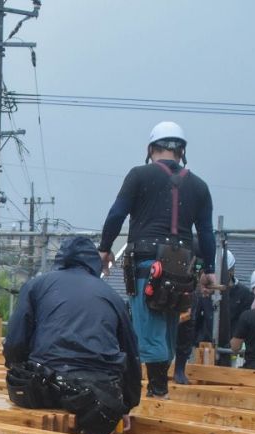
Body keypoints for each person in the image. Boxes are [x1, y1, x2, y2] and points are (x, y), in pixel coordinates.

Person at [98, 121, 214, 398]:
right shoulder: (199, 186)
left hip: (148, 265)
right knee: (169, 329)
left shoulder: (139, 175)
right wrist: (208, 269)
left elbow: (117, 214)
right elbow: (207, 232)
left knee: (149, 331)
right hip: (183, 268)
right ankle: (159, 387)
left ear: (151, 149)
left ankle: (158, 391)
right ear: (182, 151)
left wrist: (104, 248)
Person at [3, 236, 141, 434]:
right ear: (94, 263)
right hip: (98, 395)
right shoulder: (113, 296)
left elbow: (15, 343)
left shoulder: (37, 285)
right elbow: (131, 355)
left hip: (44, 387)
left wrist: (19, 371)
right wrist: (126, 405)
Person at [174, 271, 215, 384]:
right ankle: (178, 371)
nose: (206, 291)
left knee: (186, 332)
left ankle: (179, 371)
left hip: (185, 336)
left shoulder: (196, 297)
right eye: (206, 287)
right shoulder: (189, 286)